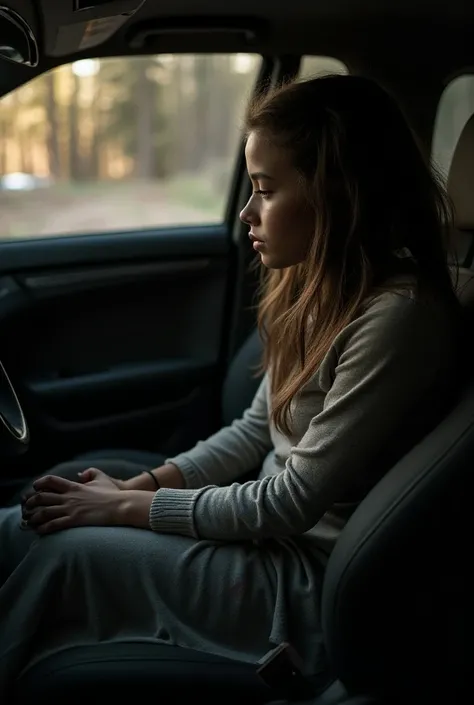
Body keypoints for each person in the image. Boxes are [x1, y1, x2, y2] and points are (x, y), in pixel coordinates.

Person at [0, 74, 461, 695]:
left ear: (338, 193)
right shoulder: (318, 285)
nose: (247, 211)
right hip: (266, 538)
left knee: (66, 550)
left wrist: (122, 508)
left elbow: (290, 501)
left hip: (300, 579)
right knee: (31, 523)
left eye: (266, 190)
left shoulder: (399, 317)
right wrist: (139, 486)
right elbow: (253, 431)